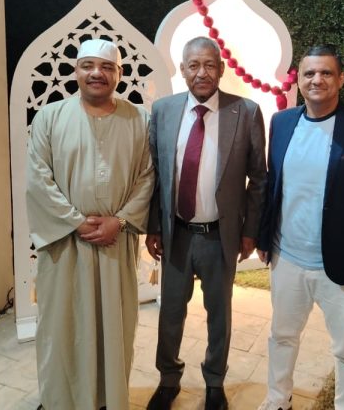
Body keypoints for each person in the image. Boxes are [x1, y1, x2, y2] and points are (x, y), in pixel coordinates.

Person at [256, 44, 344, 410]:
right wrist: (263, 237)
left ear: (341, 79)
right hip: (287, 258)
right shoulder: (282, 123)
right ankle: (277, 399)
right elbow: (273, 186)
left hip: (343, 265)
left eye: (326, 73)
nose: (317, 79)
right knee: (282, 336)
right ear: (299, 81)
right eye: (309, 73)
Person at [26, 38, 155, 410]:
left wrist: (121, 220)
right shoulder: (50, 117)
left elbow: (148, 176)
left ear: (119, 74)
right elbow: (38, 178)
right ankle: (60, 400)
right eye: (88, 66)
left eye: (107, 67)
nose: (97, 73)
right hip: (65, 244)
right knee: (62, 325)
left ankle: (106, 398)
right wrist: (75, 222)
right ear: (76, 71)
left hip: (115, 243)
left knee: (113, 327)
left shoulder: (139, 119)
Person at [145, 36, 267, 410]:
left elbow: (258, 179)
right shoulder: (163, 111)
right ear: (182, 70)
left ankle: (215, 382)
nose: (202, 73)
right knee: (170, 313)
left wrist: (250, 231)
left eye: (209, 65)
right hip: (177, 233)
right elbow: (155, 175)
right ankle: (168, 379)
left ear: (221, 69)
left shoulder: (245, 112)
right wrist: (154, 226)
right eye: (194, 65)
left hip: (219, 235)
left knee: (220, 314)